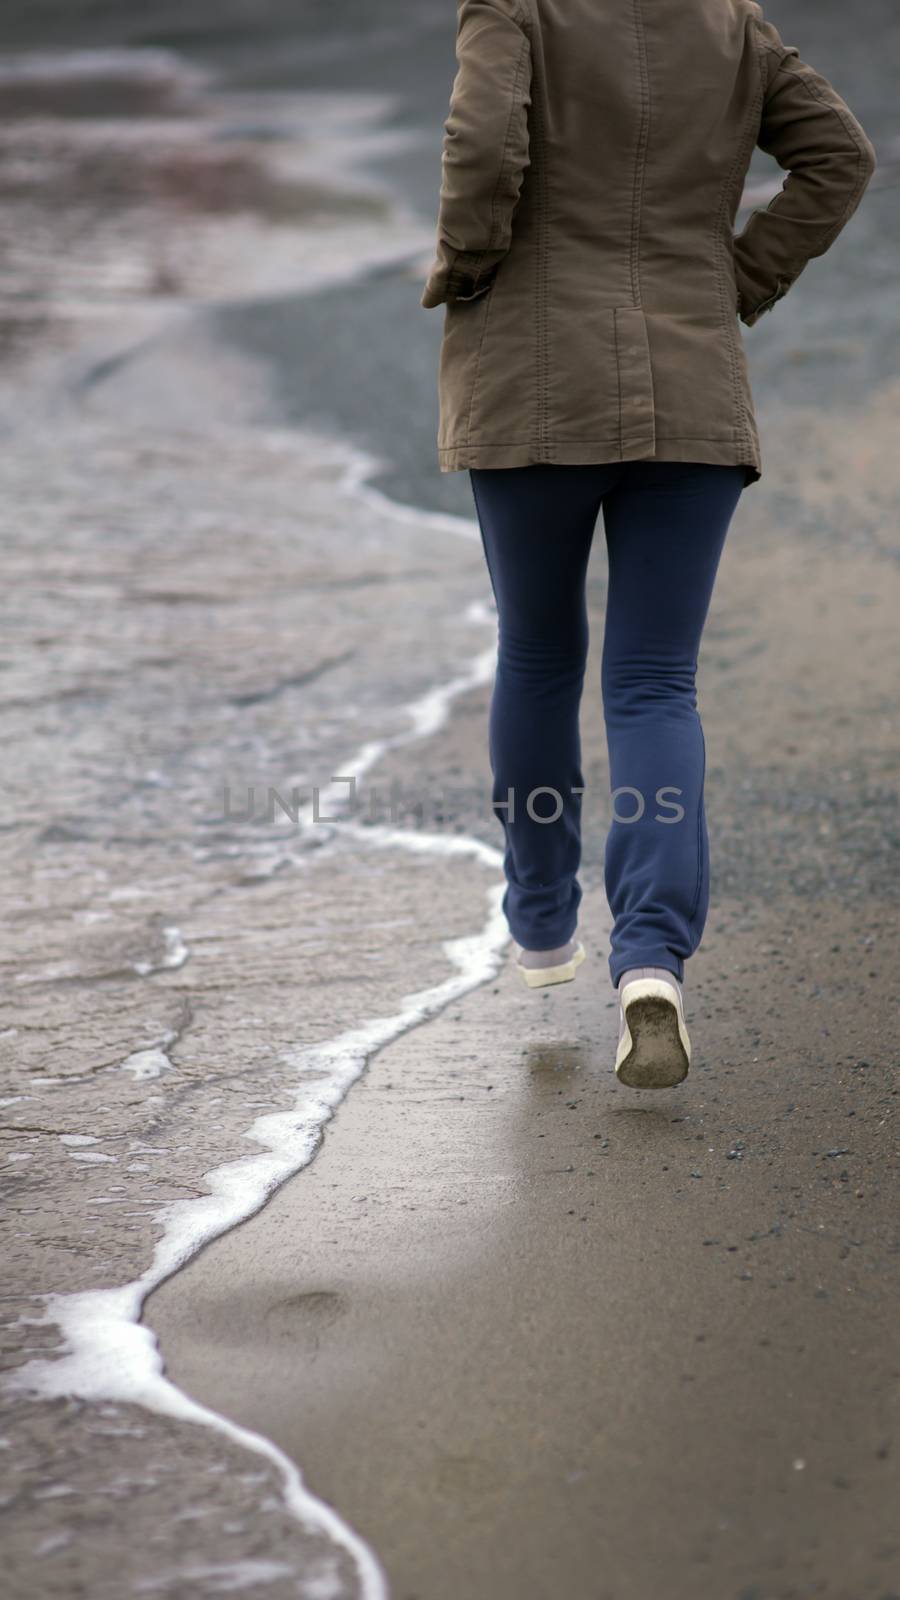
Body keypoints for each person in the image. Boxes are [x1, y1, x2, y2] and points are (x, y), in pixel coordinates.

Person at [420, 0, 876, 1089]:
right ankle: (652, 959)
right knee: (657, 683)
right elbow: (841, 159)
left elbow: (483, 144)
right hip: (692, 387)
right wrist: (739, 280)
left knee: (537, 652)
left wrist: (470, 264)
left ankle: (538, 919)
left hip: (532, 377)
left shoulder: (514, 6)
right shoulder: (732, 22)